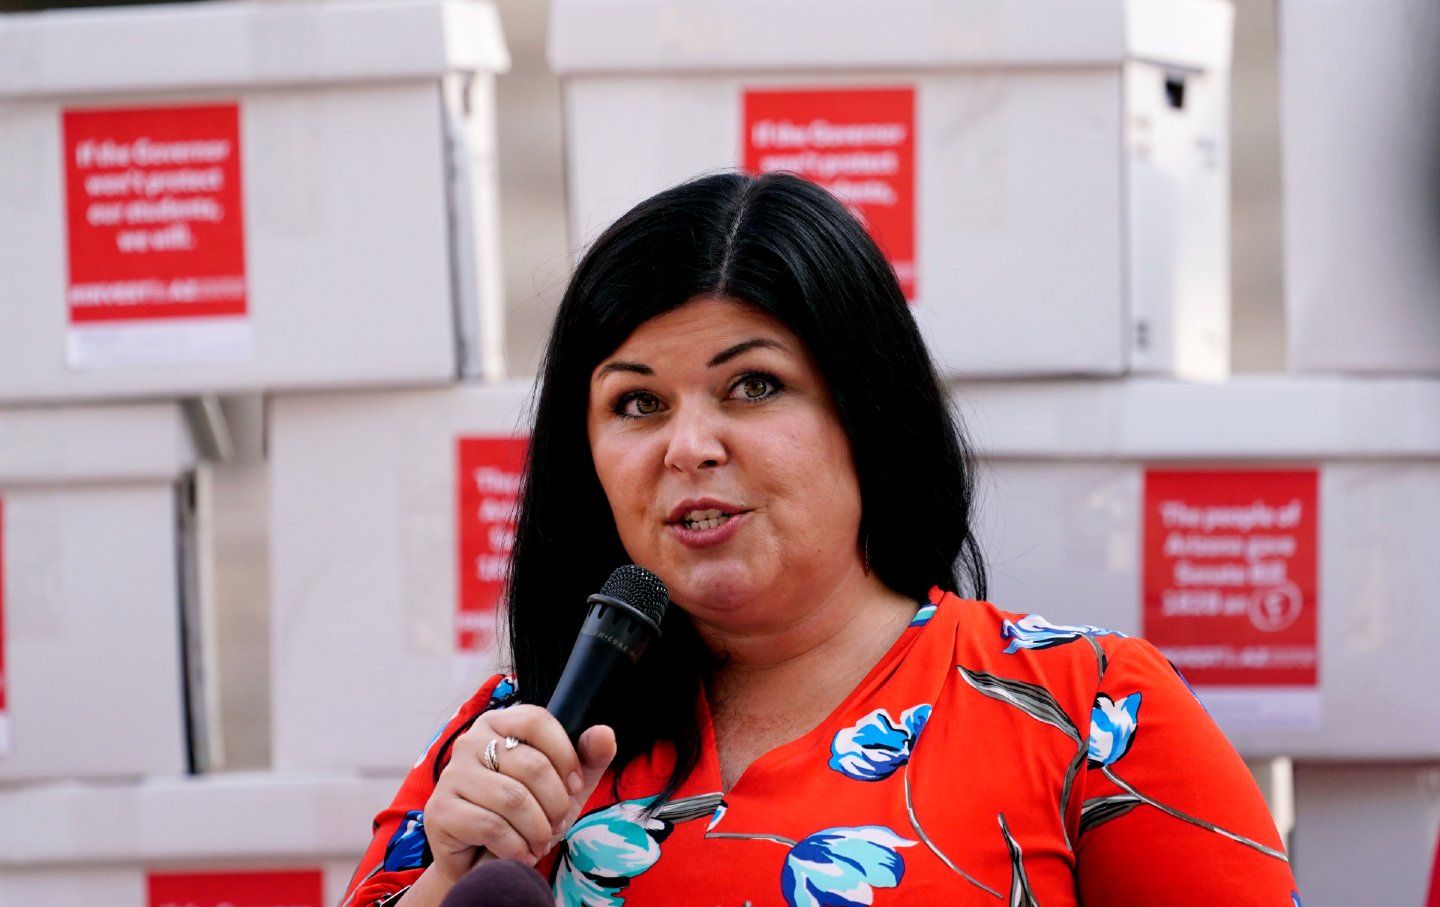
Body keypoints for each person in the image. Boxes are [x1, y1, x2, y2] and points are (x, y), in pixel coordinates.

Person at [342, 172, 1301, 906]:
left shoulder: (1092, 714)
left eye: (751, 385)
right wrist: (450, 876)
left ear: (866, 410)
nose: (688, 446)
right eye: (637, 402)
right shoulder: (513, 745)